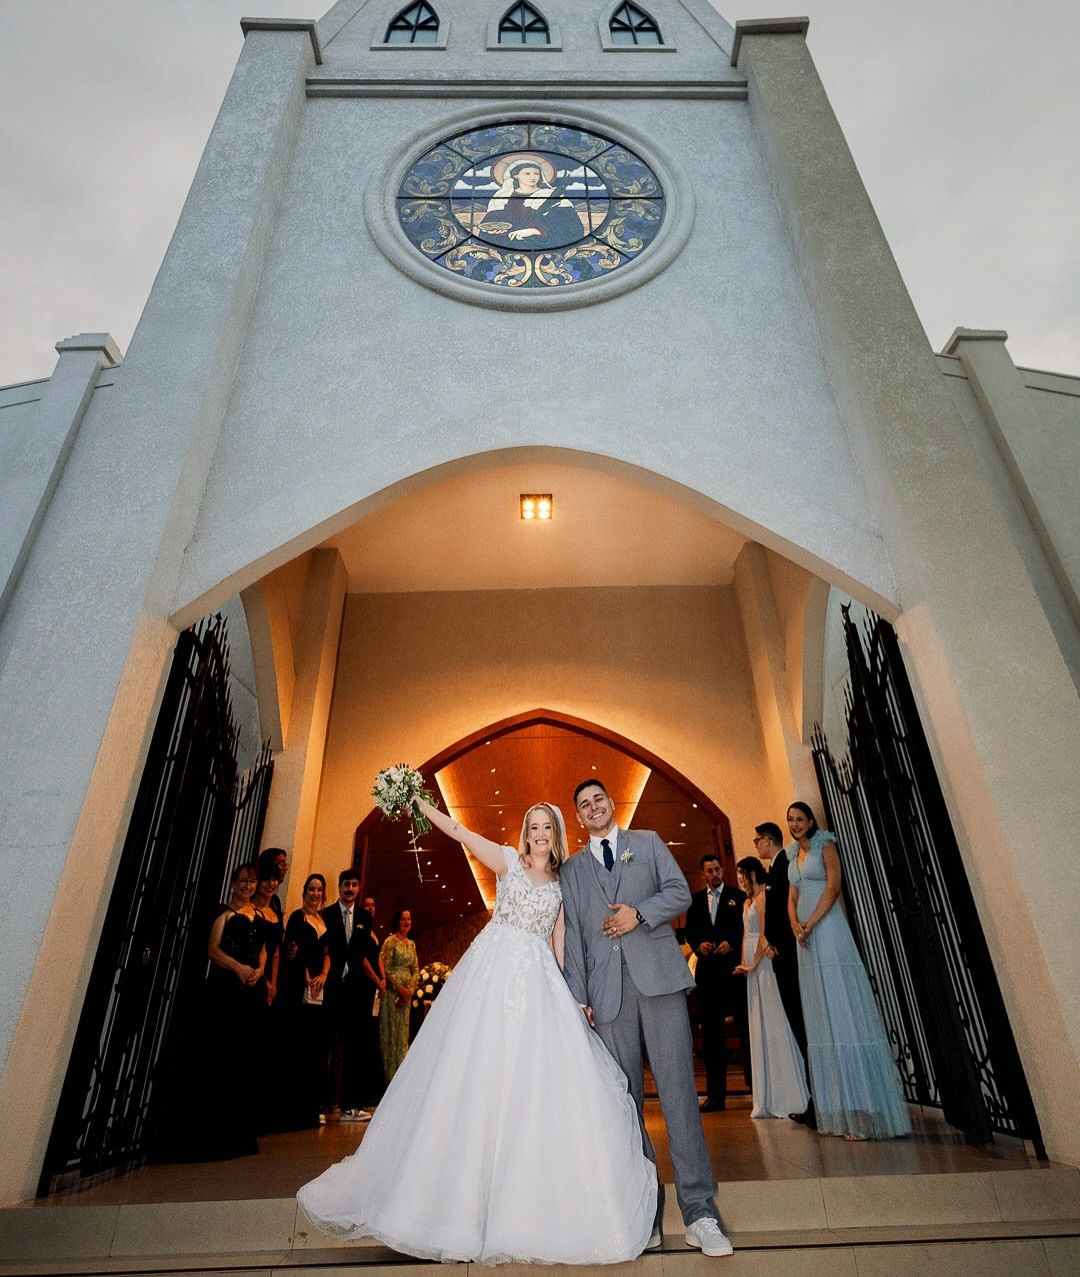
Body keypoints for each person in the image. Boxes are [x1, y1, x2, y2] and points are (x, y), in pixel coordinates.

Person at [297, 798, 656, 1264]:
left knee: (532, 1089)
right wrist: (422, 804)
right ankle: (448, 1207)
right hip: (490, 979)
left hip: (538, 987)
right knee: (472, 1079)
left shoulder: (561, 885)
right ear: (526, 832)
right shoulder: (507, 860)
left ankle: (522, 1206)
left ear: (557, 834)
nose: (541, 834)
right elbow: (461, 832)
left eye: (548, 827)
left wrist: (577, 999)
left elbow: (560, 946)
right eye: (534, 826)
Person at [561, 780, 733, 1259]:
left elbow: (680, 893)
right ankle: (645, 1214)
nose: (593, 807)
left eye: (598, 799)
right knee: (625, 1107)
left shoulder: (649, 843)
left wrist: (639, 912)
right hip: (607, 998)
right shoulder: (572, 870)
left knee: (679, 1095)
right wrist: (579, 998)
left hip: (659, 983)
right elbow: (572, 935)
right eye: (583, 804)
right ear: (578, 818)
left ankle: (700, 1213)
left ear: (610, 804)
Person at [786, 801, 912, 1140]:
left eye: (800, 819)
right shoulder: (790, 856)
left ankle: (867, 1113)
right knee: (821, 1016)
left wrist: (811, 924)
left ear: (811, 821)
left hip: (827, 929)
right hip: (805, 939)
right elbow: (792, 896)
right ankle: (838, 1110)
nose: (795, 824)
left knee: (842, 1009)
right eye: (790, 820)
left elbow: (833, 887)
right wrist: (796, 925)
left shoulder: (826, 846)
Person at [153, 862, 265, 1161]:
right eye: (243, 881)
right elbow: (213, 949)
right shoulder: (223, 913)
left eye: (252, 882)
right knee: (216, 1055)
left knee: (240, 1060)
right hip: (223, 990)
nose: (248, 886)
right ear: (233, 884)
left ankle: (236, 1133)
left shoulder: (258, 915)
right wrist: (238, 967)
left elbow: (263, 949)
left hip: (248, 993)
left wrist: (259, 970)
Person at [733, 857, 809, 1119]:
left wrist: (754, 963)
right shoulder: (746, 902)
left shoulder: (764, 897)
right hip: (751, 964)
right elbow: (746, 933)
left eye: (743, 874)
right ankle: (766, 1094)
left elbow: (763, 932)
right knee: (758, 1023)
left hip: (763, 961)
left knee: (775, 1018)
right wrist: (743, 963)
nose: (741, 879)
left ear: (752, 874)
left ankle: (789, 1093)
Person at [754, 821, 812, 1126]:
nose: (757, 846)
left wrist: (775, 943)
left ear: (767, 840)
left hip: (788, 953)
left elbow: (783, 908)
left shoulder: (783, 866)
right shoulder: (776, 868)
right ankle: (814, 1098)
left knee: (801, 1022)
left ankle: (817, 1098)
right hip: (781, 954)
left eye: (757, 841)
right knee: (796, 1022)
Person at [684, 851, 751, 1112]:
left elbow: (745, 929)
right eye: (709, 871)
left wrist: (731, 945)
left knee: (745, 1031)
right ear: (703, 874)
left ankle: (755, 1089)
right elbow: (690, 931)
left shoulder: (738, 897)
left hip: (733, 973)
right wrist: (699, 944)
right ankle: (715, 1096)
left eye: (717, 870)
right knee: (712, 1038)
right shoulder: (696, 901)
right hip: (709, 975)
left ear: (722, 871)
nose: (714, 875)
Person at [274, 873, 332, 1132]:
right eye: (311, 889)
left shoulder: (324, 920)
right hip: (299, 987)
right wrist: (309, 977)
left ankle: (310, 1108)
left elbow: (328, 954)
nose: (315, 894)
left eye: (319, 890)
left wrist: (323, 975)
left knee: (314, 1048)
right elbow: (293, 951)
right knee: (296, 1044)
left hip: (320, 990)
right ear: (304, 892)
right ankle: (291, 1111)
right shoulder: (298, 918)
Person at [322, 869, 379, 1122]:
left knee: (354, 1048)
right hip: (331, 988)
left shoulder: (365, 918)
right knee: (326, 1046)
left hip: (355, 991)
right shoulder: (327, 915)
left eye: (355, 885)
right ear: (339, 886)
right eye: (346, 884)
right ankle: (322, 1105)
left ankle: (349, 1106)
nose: (350, 889)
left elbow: (362, 952)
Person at [478, 156, 585, 248]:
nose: (533, 177)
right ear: (515, 175)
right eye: (527, 173)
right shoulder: (503, 196)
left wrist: (536, 231)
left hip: (541, 239)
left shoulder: (550, 196)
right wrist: (495, 229)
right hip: (507, 237)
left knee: (524, 244)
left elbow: (570, 226)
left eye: (536, 174)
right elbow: (494, 218)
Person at [379, 909, 419, 1083]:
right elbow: (386, 968)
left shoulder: (412, 944)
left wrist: (409, 990)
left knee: (403, 1037)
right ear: (397, 921)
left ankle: (401, 1082)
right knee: (391, 1035)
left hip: (406, 998)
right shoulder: (390, 941)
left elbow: (416, 969)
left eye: (409, 918)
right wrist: (400, 989)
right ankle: (389, 1079)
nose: (406, 921)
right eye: (403, 919)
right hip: (392, 995)